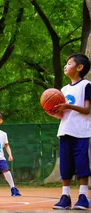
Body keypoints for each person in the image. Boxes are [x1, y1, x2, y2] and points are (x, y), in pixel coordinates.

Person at [47, 54, 91, 210]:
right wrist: (52, 111)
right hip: (65, 131)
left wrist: (69, 106)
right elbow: (62, 115)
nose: (65, 66)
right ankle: (65, 197)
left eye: (69, 63)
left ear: (79, 68)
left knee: (82, 166)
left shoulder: (86, 85)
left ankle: (83, 197)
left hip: (81, 133)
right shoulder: (63, 90)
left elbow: (87, 110)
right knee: (65, 166)